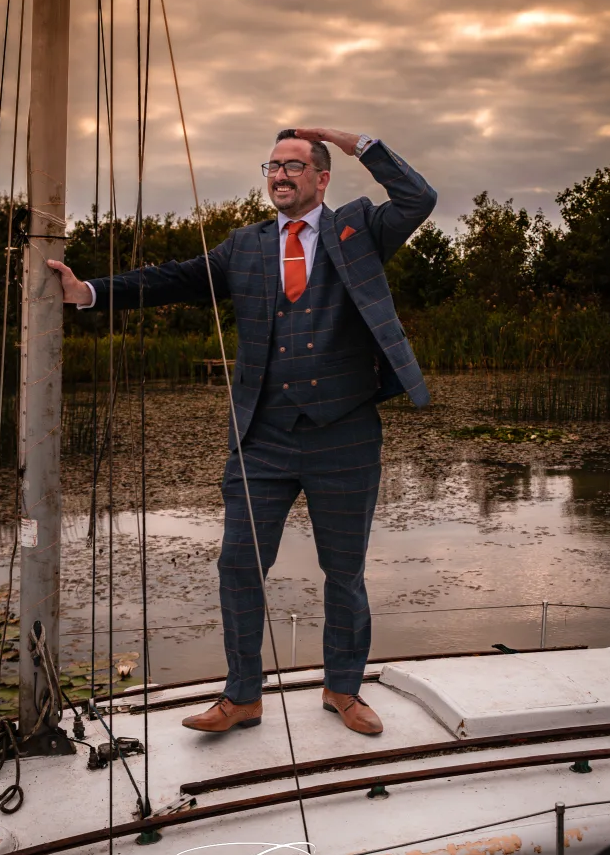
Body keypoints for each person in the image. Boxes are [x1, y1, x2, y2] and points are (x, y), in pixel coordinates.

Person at [49, 127, 437, 737]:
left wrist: (356, 141)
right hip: (263, 436)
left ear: (321, 178)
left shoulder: (359, 229)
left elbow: (418, 198)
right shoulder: (244, 246)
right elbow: (174, 278)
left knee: (345, 572)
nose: (279, 176)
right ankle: (242, 697)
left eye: (293, 166)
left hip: (346, 433)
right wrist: (90, 291)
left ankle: (343, 689)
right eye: (272, 166)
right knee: (238, 565)